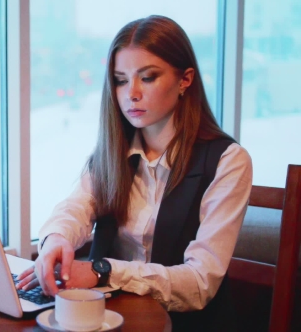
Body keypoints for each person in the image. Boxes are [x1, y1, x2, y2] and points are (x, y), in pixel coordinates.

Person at [16, 15, 252, 331]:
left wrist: (104, 270)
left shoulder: (228, 160)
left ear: (185, 79)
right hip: (110, 319)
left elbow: (199, 283)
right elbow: (76, 208)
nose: (132, 93)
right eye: (121, 79)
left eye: (148, 77)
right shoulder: (114, 152)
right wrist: (56, 239)